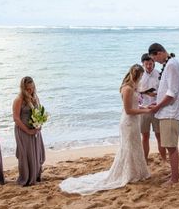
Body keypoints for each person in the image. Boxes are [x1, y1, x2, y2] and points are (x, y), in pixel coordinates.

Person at [59, 64, 153, 194]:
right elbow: (128, 110)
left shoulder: (133, 87)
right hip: (128, 122)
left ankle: (135, 172)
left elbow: (135, 105)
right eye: (141, 76)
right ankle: (128, 173)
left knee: (134, 147)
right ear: (136, 75)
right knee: (128, 147)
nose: (142, 79)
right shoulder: (127, 89)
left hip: (134, 122)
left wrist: (146, 108)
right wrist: (145, 111)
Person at [148, 43, 179, 185]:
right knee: (171, 146)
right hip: (167, 111)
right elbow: (167, 90)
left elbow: (172, 93)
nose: (155, 62)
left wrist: (157, 106)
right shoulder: (170, 63)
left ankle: (174, 179)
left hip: (170, 113)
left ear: (159, 53)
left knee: (171, 147)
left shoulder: (171, 65)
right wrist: (157, 102)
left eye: (155, 59)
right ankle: (174, 175)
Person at [13, 76, 46, 186]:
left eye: (32, 88)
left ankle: (36, 175)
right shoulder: (19, 99)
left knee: (36, 152)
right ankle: (26, 178)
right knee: (26, 154)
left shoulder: (35, 98)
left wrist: (39, 124)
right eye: (28, 89)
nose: (30, 91)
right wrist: (27, 130)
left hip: (35, 130)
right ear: (23, 88)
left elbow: (38, 112)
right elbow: (16, 118)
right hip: (23, 130)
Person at [139, 53, 165, 163]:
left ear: (154, 63)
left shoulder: (159, 74)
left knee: (159, 136)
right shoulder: (140, 75)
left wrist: (157, 95)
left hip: (156, 108)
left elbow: (164, 91)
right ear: (143, 64)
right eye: (146, 64)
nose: (149, 66)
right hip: (143, 109)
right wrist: (146, 92)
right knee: (145, 136)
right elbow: (134, 90)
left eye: (151, 63)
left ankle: (164, 159)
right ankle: (144, 159)